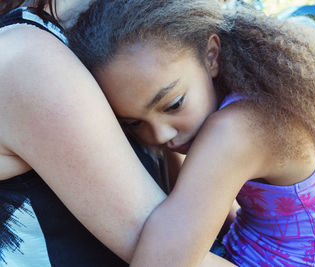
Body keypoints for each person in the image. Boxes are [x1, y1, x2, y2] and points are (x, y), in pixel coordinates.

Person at [68, 0, 315, 266]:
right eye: (134, 122)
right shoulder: (239, 104)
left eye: (173, 104)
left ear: (210, 56)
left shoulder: (238, 129)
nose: (161, 134)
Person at [0, 1, 234, 266]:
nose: (159, 135)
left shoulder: (115, 30)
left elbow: (193, 202)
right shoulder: (28, 60)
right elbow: (169, 256)